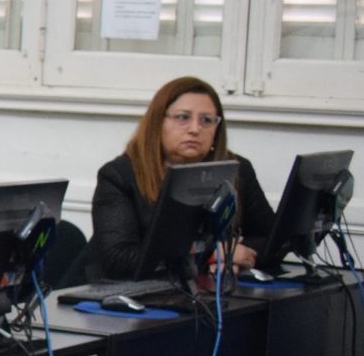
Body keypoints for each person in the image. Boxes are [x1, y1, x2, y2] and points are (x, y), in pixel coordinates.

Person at [89, 76, 275, 282]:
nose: (195, 129)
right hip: (140, 296)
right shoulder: (119, 176)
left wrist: (232, 255)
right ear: (158, 123)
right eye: (183, 117)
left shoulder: (238, 170)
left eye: (206, 120)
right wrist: (212, 255)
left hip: (213, 292)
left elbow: (274, 239)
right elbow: (119, 260)